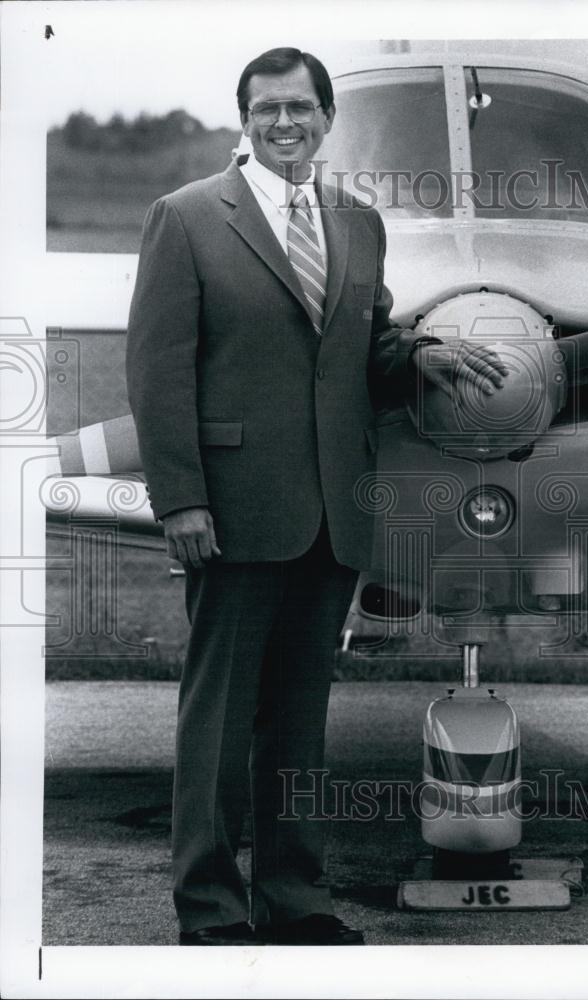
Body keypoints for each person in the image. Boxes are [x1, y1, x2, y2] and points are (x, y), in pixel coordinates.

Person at [126, 47, 507, 947]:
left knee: (299, 725)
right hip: (230, 510)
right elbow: (157, 372)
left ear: (328, 119)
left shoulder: (357, 222)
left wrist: (416, 356)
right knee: (217, 723)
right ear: (244, 119)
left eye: (300, 108)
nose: (284, 124)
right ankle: (211, 911)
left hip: (332, 513)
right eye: (267, 110)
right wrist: (181, 500)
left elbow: (357, 353)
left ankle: (295, 902)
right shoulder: (183, 219)